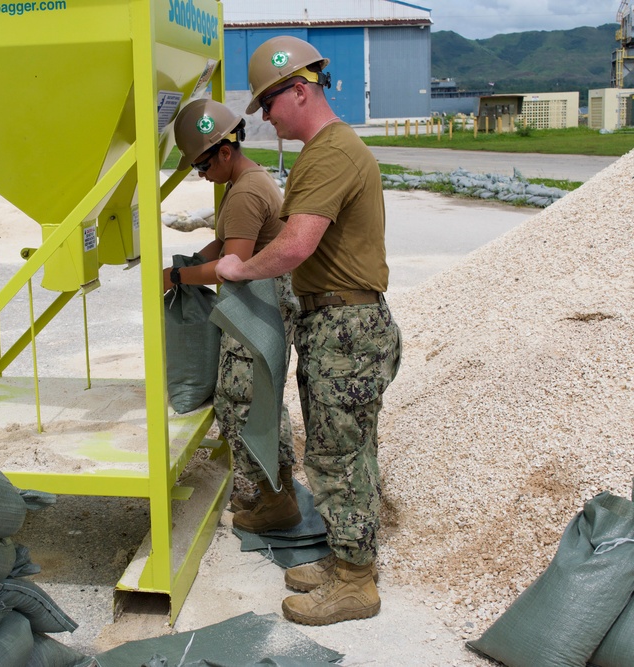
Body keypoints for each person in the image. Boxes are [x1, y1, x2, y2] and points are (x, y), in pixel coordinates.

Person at [214, 36, 402, 627]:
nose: (264, 117)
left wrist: (238, 267)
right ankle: (344, 557)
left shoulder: (330, 153)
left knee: (339, 456)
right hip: (340, 324)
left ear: (299, 90)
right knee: (340, 449)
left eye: (268, 103)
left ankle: (354, 583)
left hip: (346, 330)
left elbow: (295, 246)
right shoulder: (328, 151)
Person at [163, 98, 302, 534]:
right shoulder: (244, 182)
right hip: (257, 303)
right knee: (255, 396)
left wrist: (181, 276)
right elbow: (219, 247)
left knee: (243, 400)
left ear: (225, 151)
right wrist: (179, 268)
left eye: (202, 166)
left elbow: (231, 267)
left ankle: (275, 501)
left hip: (256, 305)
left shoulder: (244, 194)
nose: (201, 174)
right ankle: (275, 491)